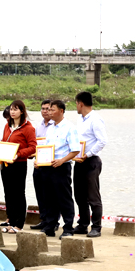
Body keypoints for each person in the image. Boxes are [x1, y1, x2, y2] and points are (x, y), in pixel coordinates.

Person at [36, 100, 80, 239]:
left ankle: (68, 227)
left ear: (61, 111)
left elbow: (75, 150)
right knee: (48, 197)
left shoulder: (69, 128)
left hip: (61, 167)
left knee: (64, 197)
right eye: (48, 110)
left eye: (52, 110)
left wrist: (62, 160)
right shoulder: (51, 128)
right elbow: (46, 148)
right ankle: (50, 225)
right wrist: (40, 161)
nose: (49, 112)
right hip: (48, 166)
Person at [73, 91, 107, 238]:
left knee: (93, 196)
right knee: (79, 195)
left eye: (76, 103)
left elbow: (102, 141)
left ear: (81, 103)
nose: (76, 106)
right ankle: (83, 224)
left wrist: (89, 153)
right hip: (79, 161)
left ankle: (97, 227)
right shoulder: (81, 120)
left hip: (91, 161)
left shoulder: (95, 120)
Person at [0, 100, 36, 234]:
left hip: (19, 164)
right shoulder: (7, 126)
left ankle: (19, 224)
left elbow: (33, 147)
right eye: (11, 109)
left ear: (22, 111)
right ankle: (11, 221)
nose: (12, 112)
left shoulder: (28, 128)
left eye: (16, 109)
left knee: (18, 193)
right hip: (5, 163)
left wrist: (19, 154)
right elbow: (4, 142)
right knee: (8, 193)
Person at [30, 100, 55, 230]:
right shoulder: (38, 126)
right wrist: (33, 156)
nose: (45, 111)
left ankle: (54, 222)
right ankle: (44, 219)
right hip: (38, 164)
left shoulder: (56, 126)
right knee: (40, 193)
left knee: (52, 195)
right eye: (43, 109)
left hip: (52, 165)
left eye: (47, 109)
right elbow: (35, 146)